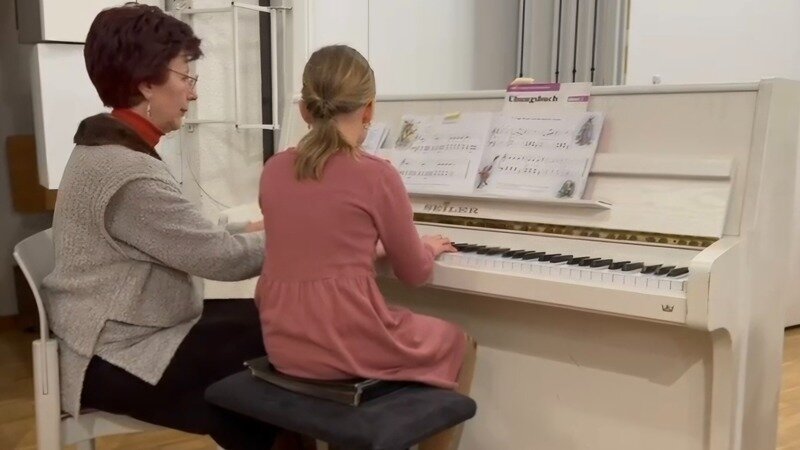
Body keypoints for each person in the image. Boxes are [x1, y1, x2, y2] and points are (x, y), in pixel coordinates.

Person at [42, 4, 284, 449]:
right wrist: (308, 234)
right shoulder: (126, 170)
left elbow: (178, 238)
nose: (193, 93)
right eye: (186, 77)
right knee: (285, 343)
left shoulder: (104, 147)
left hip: (125, 331)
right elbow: (222, 260)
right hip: (117, 355)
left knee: (278, 323)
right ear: (146, 83)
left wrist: (256, 230)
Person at [255, 45, 478, 450]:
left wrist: (369, 252)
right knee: (458, 341)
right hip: (343, 342)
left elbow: (318, 251)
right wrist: (427, 247)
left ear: (304, 110)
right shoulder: (376, 175)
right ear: (370, 110)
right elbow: (415, 274)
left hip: (284, 343)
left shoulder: (273, 169)